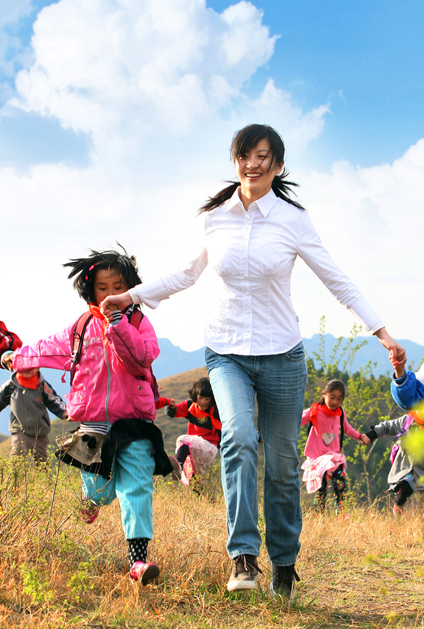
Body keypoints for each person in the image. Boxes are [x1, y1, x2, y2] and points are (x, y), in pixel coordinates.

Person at [100, 124, 405, 598]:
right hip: (227, 353)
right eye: (245, 155)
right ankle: (243, 557)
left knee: (282, 463)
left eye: (264, 156)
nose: (253, 164)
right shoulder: (215, 217)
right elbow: (185, 272)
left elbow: (336, 279)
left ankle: (284, 562)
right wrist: (130, 296)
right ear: (235, 161)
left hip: (282, 356)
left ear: (278, 165)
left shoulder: (293, 220)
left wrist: (381, 332)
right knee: (239, 437)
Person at [12, 247, 172, 585]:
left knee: (137, 487)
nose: (111, 293)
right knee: (102, 491)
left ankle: (137, 561)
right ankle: (90, 499)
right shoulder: (81, 327)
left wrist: (118, 325)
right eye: (103, 287)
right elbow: (46, 348)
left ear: (131, 289)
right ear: (90, 291)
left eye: (119, 287)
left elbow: (143, 356)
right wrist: (17, 358)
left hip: (134, 422)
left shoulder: (138, 323)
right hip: (94, 423)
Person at [301, 380, 367, 514]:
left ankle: (340, 511)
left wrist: (360, 436)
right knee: (321, 485)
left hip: (333, 456)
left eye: (339, 399)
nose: (335, 402)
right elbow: (297, 420)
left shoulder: (340, 413)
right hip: (318, 458)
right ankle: (318, 512)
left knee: (340, 479)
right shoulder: (314, 411)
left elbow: (347, 428)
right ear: (324, 394)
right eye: (332, 397)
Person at [0, 367, 68, 462]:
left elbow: (53, 400)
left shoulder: (42, 385)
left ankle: (41, 472)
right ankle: (16, 472)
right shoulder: (11, 385)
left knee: (42, 462)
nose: (28, 370)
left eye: (31, 367)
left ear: (38, 367)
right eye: (24, 367)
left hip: (40, 432)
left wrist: (65, 412)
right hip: (19, 430)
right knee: (17, 460)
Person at [363, 411, 424, 515]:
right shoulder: (407, 421)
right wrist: (372, 434)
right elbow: (387, 426)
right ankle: (398, 511)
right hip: (406, 467)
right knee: (403, 491)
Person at [166, 377, 221, 485]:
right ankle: (202, 494)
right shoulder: (190, 406)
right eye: (200, 398)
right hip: (193, 448)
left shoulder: (217, 410)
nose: (203, 402)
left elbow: (230, 427)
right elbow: (174, 412)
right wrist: (171, 407)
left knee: (183, 440)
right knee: (196, 480)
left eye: (207, 399)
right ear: (195, 396)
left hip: (209, 448)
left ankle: (178, 465)